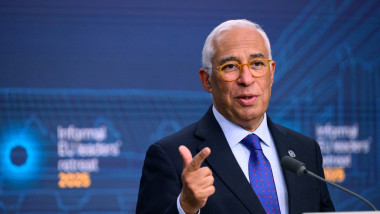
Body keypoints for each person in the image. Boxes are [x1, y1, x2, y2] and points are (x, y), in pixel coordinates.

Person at [136, 19, 335, 214]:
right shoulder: (169, 156)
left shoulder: (305, 150)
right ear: (207, 81)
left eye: (257, 63)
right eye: (230, 66)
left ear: (271, 72)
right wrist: (185, 207)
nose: (246, 79)